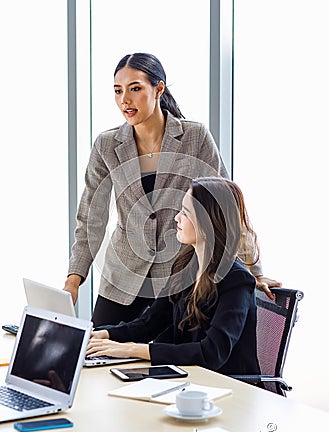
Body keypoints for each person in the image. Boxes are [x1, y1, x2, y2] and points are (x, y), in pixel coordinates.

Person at [64, 52, 280, 327]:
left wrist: (254, 271)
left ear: (159, 88)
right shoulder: (107, 146)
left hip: (178, 279)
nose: (124, 100)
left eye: (135, 89)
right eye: (118, 91)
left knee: (168, 361)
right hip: (122, 280)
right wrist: (74, 279)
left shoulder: (194, 137)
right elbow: (91, 218)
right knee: (98, 354)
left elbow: (227, 206)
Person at [86, 177, 260, 376]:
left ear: (208, 222)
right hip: (188, 379)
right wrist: (104, 334)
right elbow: (151, 322)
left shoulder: (236, 280)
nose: (176, 218)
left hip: (228, 386)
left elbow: (212, 353)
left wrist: (130, 349)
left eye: (185, 213)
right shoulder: (185, 265)